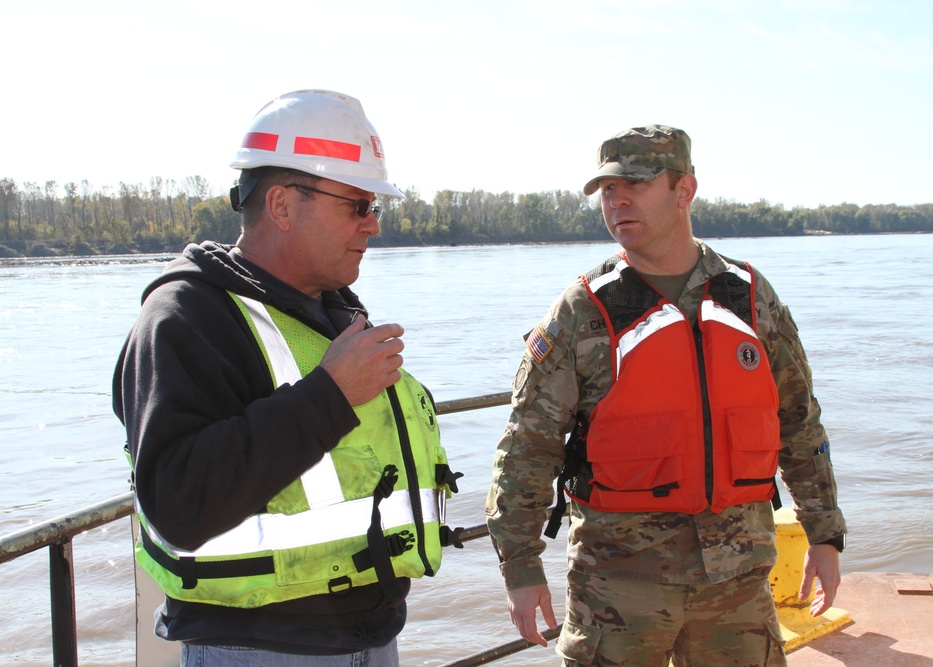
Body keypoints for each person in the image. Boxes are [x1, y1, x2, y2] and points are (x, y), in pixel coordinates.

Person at [113, 89, 461, 666]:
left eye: (375, 206)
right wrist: (331, 395)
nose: (373, 225)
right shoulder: (185, 319)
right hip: (257, 648)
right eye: (357, 204)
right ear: (281, 205)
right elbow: (178, 502)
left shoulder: (324, 311)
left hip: (368, 636)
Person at [486, 125, 846, 666]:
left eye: (635, 182)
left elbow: (798, 420)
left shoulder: (748, 296)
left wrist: (825, 533)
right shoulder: (582, 311)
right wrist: (520, 566)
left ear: (685, 191)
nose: (618, 200)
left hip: (739, 585)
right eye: (607, 189)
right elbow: (526, 446)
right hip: (616, 589)